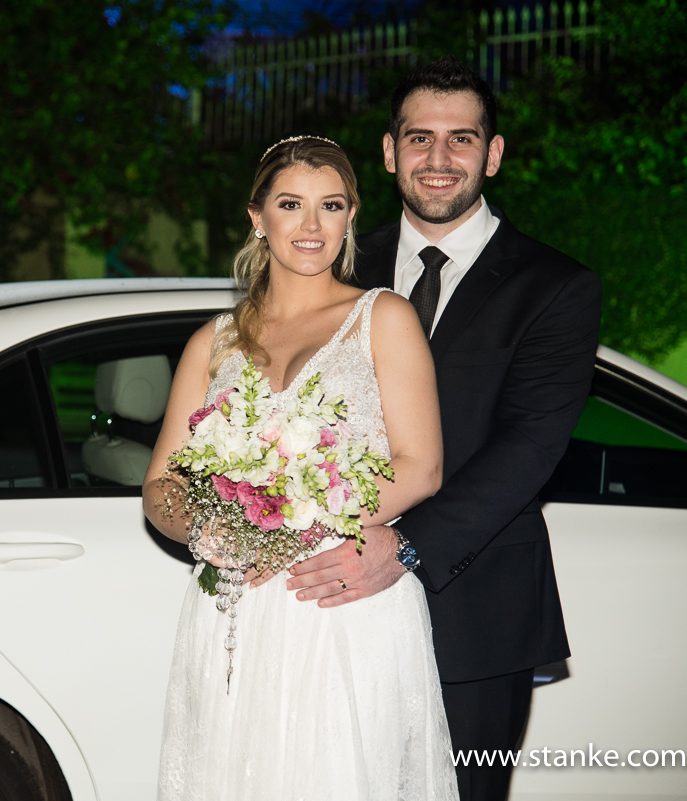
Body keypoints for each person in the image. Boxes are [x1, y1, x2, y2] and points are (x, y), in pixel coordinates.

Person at [283, 57, 603, 801]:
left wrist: (408, 546)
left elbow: (530, 445)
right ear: (390, 152)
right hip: (329, 601)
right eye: (419, 138)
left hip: (475, 609)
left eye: (461, 139)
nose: (438, 159)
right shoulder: (331, 267)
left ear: (491, 154)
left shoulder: (553, 286)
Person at [143, 135, 459, 799]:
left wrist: (290, 524)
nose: (311, 225)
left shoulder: (383, 317)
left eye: (331, 205)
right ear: (257, 217)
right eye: (292, 204)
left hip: (340, 595)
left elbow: (422, 465)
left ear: (350, 216)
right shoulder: (214, 340)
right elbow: (162, 484)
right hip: (238, 608)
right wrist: (207, 529)